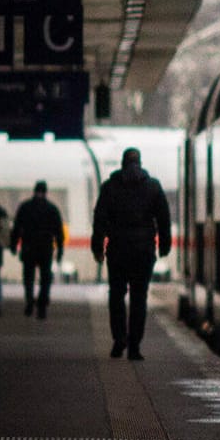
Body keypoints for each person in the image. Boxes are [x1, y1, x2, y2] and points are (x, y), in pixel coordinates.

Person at [91, 148, 171, 361]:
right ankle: (134, 346)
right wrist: (165, 245)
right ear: (140, 163)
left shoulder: (110, 187)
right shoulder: (153, 187)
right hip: (143, 250)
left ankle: (119, 340)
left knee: (116, 296)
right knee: (139, 297)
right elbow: (164, 218)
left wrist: (97, 247)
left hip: (118, 250)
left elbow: (99, 218)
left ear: (122, 163)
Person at [10, 181, 65, 320]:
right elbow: (59, 232)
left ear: (34, 191)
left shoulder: (25, 207)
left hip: (28, 247)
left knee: (28, 276)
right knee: (45, 278)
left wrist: (13, 245)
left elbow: (16, 228)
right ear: (46, 192)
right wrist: (59, 251)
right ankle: (42, 306)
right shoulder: (52, 209)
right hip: (45, 248)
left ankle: (29, 299)